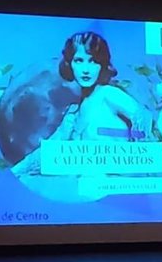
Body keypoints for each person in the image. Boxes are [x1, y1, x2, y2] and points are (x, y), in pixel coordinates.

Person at [11, 32, 150, 177]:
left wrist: (138, 162)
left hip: (122, 183)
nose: (86, 69)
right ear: (70, 64)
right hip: (90, 185)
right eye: (79, 60)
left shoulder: (107, 94)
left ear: (102, 64)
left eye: (93, 61)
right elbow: (47, 152)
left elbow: (143, 118)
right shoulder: (73, 114)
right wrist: (15, 172)